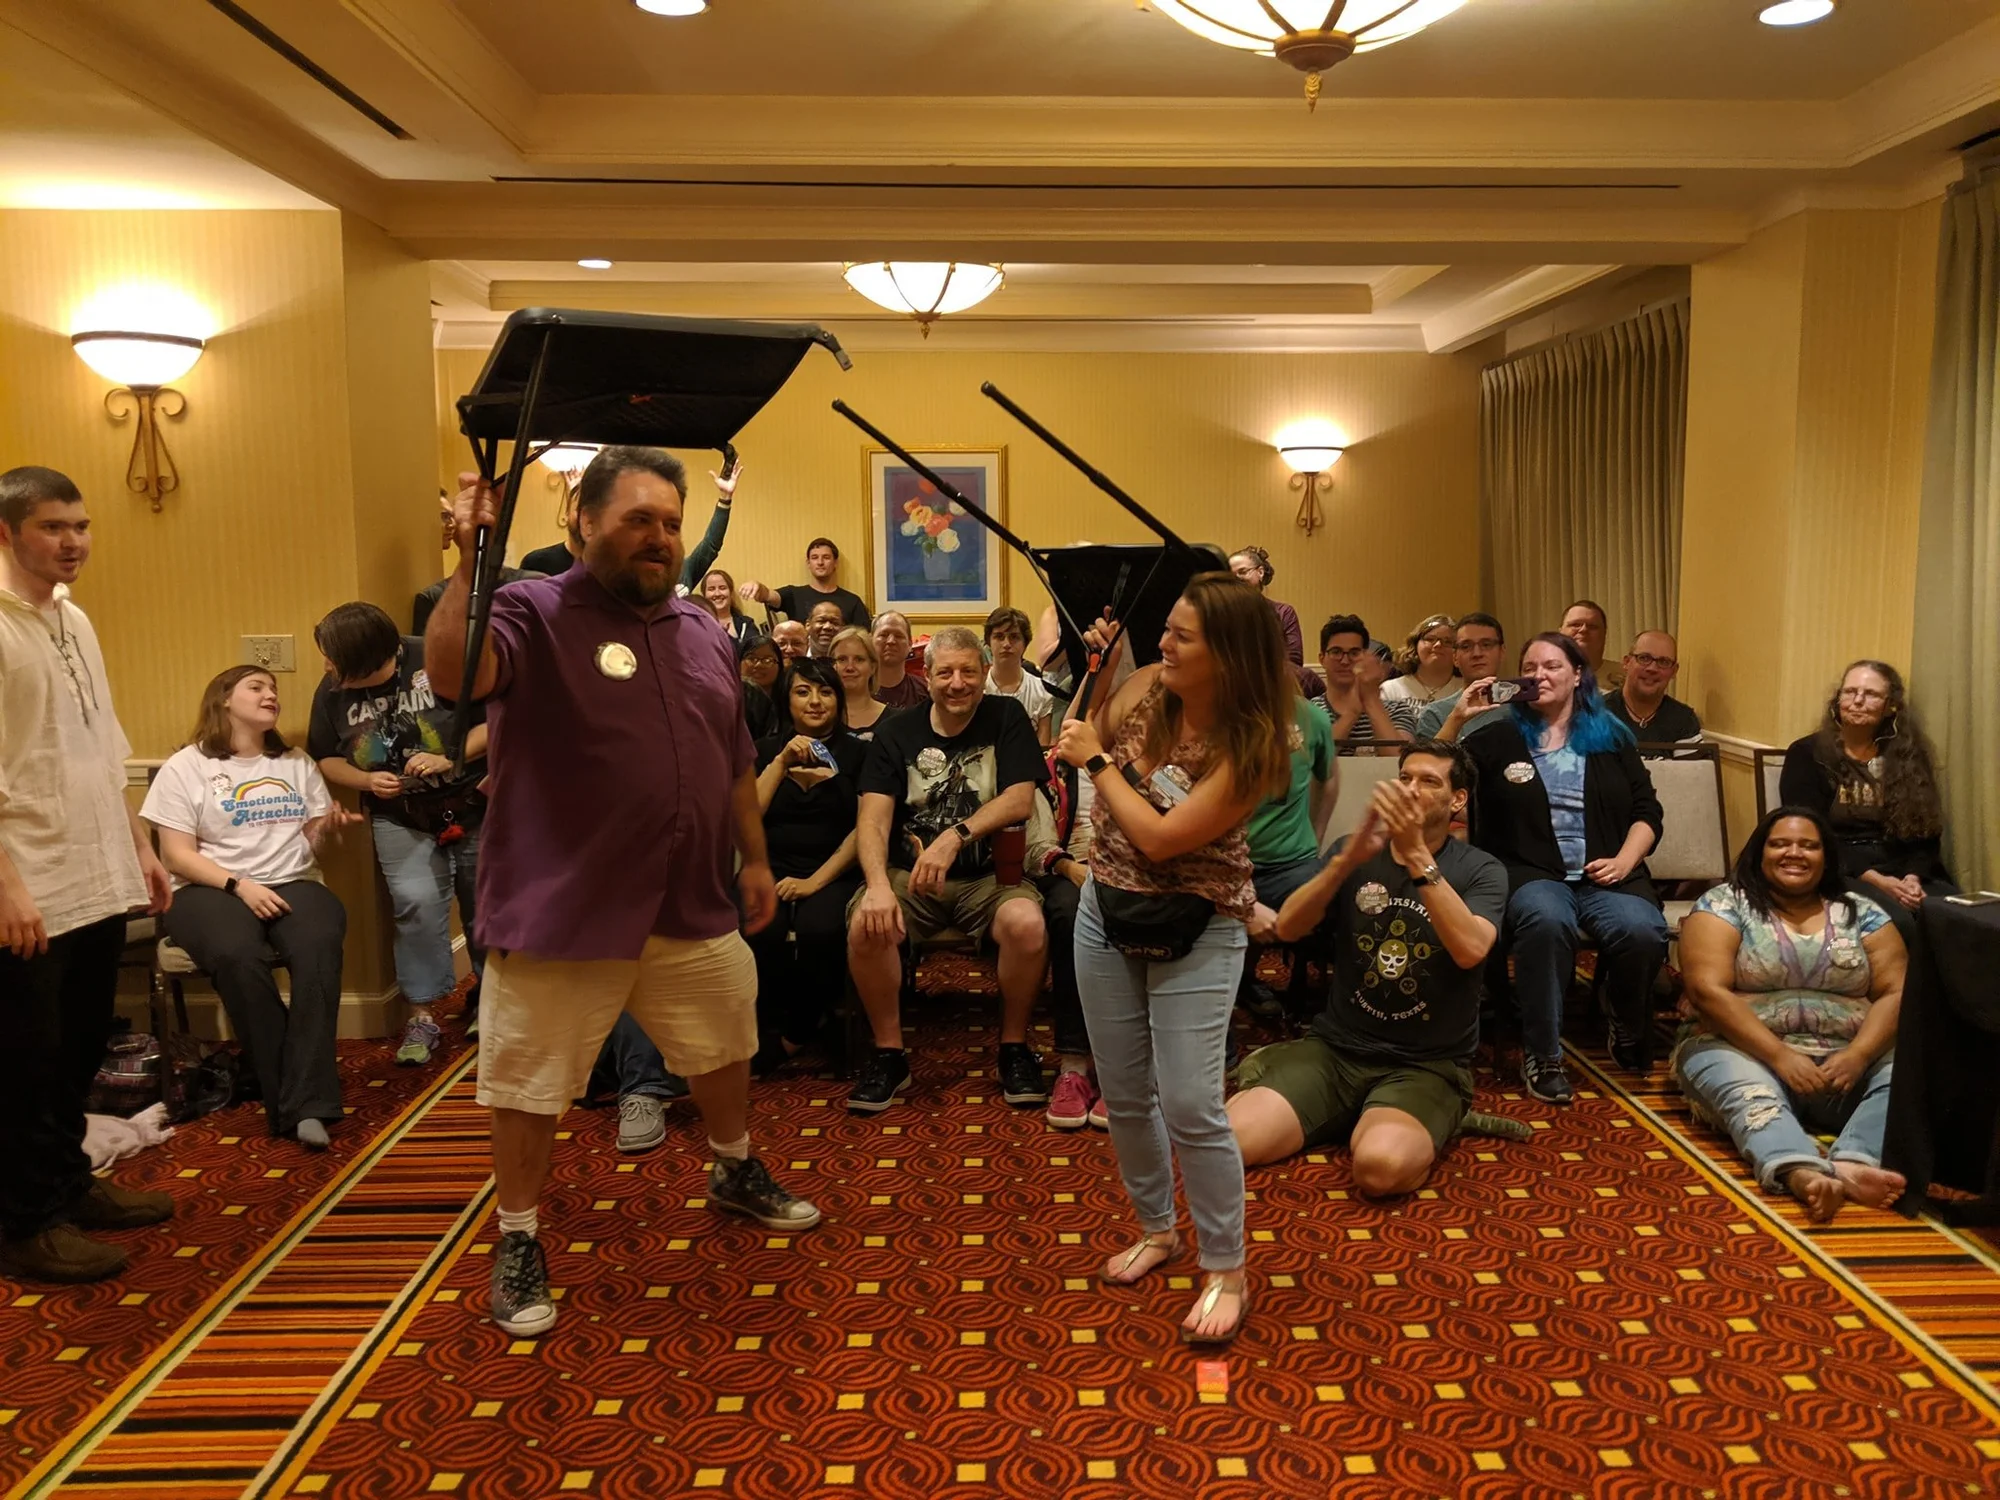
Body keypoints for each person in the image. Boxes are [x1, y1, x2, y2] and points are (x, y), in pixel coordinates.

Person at [428, 444, 818, 1340]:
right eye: (638, 519)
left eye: (672, 524)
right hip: (563, 905)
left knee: (724, 1037)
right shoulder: (528, 607)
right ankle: (519, 1237)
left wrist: (753, 860)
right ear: (585, 521)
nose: (659, 538)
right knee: (527, 1081)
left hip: (686, 898)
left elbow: (733, 760)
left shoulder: (701, 630)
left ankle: (733, 1165)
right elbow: (454, 676)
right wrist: (468, 563)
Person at [1054, 574, 1294, 1346]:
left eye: (1182, 636)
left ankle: (1227, 1268)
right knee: (1124, 1093)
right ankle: (1158, 1230)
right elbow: (1071, 735)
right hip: (1107, 910)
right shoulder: (1150, 688)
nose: (1166, 644)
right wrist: (1096, 670)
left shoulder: (1253, 743)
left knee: (1191, 1105)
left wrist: (1097, 764)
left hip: (1200, 923)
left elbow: (1162, 837)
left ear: (1227, 655)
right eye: (1166, 632)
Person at [0, 465, 175, 1285]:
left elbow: (105, 745)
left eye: (81, 525)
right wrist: (5, 883)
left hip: (95, 869)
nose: (74, 542)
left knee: (76, 1048)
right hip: (26, 885)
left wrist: (138, 846)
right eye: (53, 528)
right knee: (25, 1062)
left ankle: (69, 1186)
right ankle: (26, 1224)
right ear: (7, 533)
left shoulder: (75, 620)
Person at [1231, 742, 1507, 1192]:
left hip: (1426, 1065)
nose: (1411, 790)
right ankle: (1357, 1113)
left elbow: (1471, 950)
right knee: (1229, 1143)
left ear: (1458, 799)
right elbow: (1289, 927)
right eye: (1405, 778)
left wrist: (1418, 856)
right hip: (1337, 1051)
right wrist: (1343, 862)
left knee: (1379, 1170)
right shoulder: (1357, 851)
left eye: (1429, 781)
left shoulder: (1481, 869)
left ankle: (1416, 1116)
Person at [142, 666, 362, 1149]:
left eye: (274, 689)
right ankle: (298, 1098)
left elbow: (312, 841)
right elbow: (176, 854)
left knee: (319, 944)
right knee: (238, 954)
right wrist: (239, 885)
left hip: (293, 881)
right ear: (223, 700)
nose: (271, 695)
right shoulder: (188, 766)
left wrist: (327, 828)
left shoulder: (295, 761)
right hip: (208, 890)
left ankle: (302, 1103)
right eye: (257, 687)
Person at [1447, 632, 1667, 1105]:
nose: (1538, 675)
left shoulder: (1611, 738)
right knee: (1546, 921)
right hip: (1530, 870)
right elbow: (1432, 775)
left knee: (1644, 929)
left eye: (1551, 666)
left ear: (1577, 675)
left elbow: (1647, 812)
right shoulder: (1498, 736)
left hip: (1607, 871)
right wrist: (1458, 718)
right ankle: (1543, 1052)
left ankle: (1626, 1024)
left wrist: (1626, 860)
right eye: (1529, 667)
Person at [845, 627, 1050, 1113]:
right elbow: (872, 819)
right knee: (865, 926)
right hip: (909, 877)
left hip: (989, 876)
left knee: (1028, 925)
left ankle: (1014, 1048)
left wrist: (953, 837)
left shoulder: (1007, 716)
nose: (958, 683)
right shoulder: (896, 731)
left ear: (983, 675)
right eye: (945, 672)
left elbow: (1020, 800)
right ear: (927, 675)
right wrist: (876, 886)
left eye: (968, 672)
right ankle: (890, 1054)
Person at [1675, 807, 1907, 1223]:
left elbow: (1896, 991)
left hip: (1847, 1059)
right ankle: (1801, 1171)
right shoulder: (1724, 904)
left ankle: (1854, 1163)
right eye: (1779, 843)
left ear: (1826, 856)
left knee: (1910, 1070)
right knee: (1751, 1094)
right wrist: (1781, 1056)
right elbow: (1705, 990)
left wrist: (1858, 1055)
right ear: (1760, 852)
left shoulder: (1863, 911)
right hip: (1743, 1049)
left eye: (1808, 845)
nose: (1793, 853)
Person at [309, 603, 486, 1066]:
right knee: (416, 905)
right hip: (398, 814)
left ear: (365, 658)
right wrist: (366, 781)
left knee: (485, 904)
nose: (326, 666)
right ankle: (423, 1013)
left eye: (331, 657)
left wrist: (450, 755)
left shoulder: (440, 658)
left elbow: (497, 721)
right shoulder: (331, 691)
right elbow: (325, 755)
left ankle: (493, 1001)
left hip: (474, 803)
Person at [1778, 661, 1955, 941]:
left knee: (1954, 914)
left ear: (1890, 706)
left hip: (1898, 862)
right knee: (1896, 921)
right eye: (1850, 692)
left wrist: (1912, 878)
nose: (1857, 701)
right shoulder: (1806, 754)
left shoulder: (1908, 755)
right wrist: (1877, 880)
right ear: (1838, 700)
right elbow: (1810, 833)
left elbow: (1926, 832)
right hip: (1837, 864)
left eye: (1871, 694)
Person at [750, 659, 866, 1074]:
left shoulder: (859, 751)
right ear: (786, 698)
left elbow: (867, 828)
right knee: (760, 924)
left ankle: (797, 1032)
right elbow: (746, 817)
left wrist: (814, 882)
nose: (815, 701)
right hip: (770, 867)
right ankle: (766, 1023)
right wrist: (780, 762)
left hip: (835, 868)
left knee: (822, 929)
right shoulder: (764, 750)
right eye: (803, 691)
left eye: (825, 691)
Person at [1240, 693, 1337, 1016]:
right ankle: (1239, 984)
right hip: (1225, 862)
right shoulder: (1213, 709)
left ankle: (1338, 1009)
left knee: (1340, 902)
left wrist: (1317, 834)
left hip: (1292, 863)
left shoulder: (1312, 718)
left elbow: (1330, 776)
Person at [522, 460, 740, 585]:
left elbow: (710, 546)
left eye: (672, 525)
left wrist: (725, 500)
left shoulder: (623, 565)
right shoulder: (539, 563)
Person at [1314, 614, 1417, 745]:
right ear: (1322, 659)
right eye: (1336, 652)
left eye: (1354, 653)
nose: (1345, 661)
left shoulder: (1397, 711)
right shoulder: (1307, 712)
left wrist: (1371, 701)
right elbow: (1314, 761)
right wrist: (1351, 714)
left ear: (1365, 657)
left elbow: (1399, 761)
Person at [739, 535, 870, 628]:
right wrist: (756, 585)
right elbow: (767, 595)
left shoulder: (852, 601)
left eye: (826, 557)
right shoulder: (794, 594)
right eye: (814, 558)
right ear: (808, 563)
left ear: (835, 563)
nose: (820, 562)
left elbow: (863, 639)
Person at [1417, 613, 1509, 742]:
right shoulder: (1435, 714)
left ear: (1502, 652)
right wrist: (1456, 719)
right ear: (1455, 657)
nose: (1477, 653)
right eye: (1466, 646)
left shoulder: (1523, 707)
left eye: (1486, 645)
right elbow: (1425, 761)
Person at [1605, 630, 1701, 744]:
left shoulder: (1684, 720)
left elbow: (1691, 762)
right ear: (1627, 662)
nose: (1652, 668)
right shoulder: (1594, 713)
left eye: (1664, 662)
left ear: (1674, 671)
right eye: (1644, 658)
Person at [983, 605, 1054, 744]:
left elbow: (1042, 751)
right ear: (988, 643)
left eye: (1014, 637)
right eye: (999, 637)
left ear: (1025, 644)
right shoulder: (976, 688)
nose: (1006, 644)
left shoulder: (1042, 692)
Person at [1382, 614, 1460, 709]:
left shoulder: (1467, 690)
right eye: (1430, 639)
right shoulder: (1390, 690)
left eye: (1448, 641)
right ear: (1415, 645)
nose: (1438, 645)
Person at [829, 625, 886, 738]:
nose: (850, 667)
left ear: (873, 667)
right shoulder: (819, 717)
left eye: (859, 660)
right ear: (831, 666)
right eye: (842, 659)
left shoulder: (894, 720)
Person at [870, 610, 929, 711]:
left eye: (899, 636)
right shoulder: (857, 691)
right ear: (870, 641)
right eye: (883, 635)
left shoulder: (926, 691)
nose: (891, 641)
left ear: (910, 644)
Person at [1560, 599, 1621, 693]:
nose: (1583, 629)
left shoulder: (1628, 678)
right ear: (1560, 632)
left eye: (1592, 627)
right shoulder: (1542, 676)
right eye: (1575, 625)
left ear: (1604, 633)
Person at [737, 632, 783, 741]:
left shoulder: (788, 704)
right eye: (752, 658)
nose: (758, 665)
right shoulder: (730, 703)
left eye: (767, 660)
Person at [699, 567, 758, 649]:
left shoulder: (746, 624)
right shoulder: (697, 624)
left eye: (722, 588)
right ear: (704, 595)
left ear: (731, 593)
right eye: (711, 589)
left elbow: (754, 654)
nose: (717, 593)